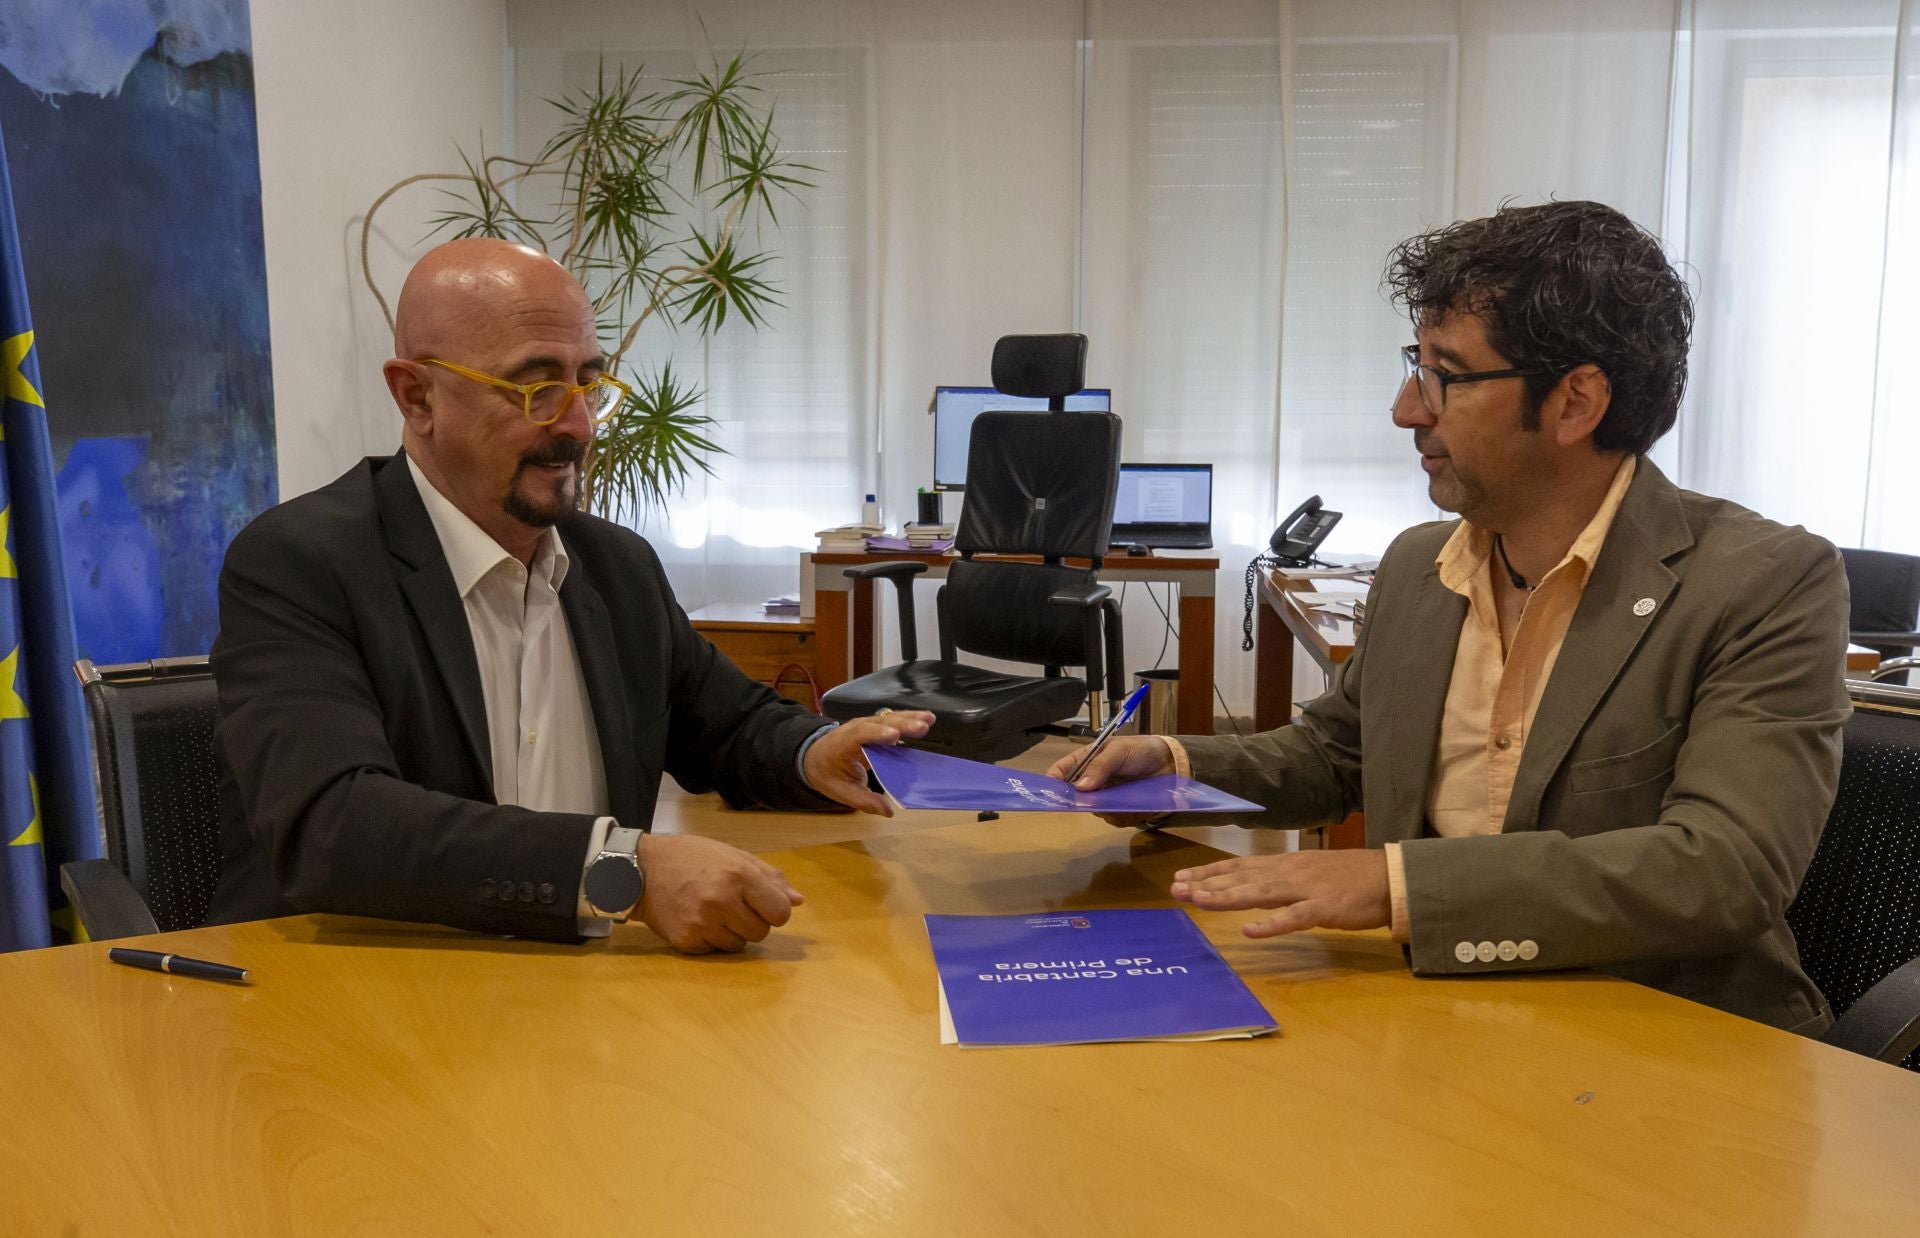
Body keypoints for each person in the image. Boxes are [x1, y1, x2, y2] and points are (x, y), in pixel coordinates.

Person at [1053, 201, 1848, 1033]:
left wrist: (1394, 886)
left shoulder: (1763, 583)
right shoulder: (1417, 565)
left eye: (1446, 375)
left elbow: (1725, 868)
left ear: (1576, 402)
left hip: (1668, 1038)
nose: (1407, 409)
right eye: (1416, 366)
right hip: (1436, 1013)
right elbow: (1338, 754)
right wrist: (1174, 766)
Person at [208, 237, 931, 952]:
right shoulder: (302, 564)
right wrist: (622, 870)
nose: (579, 426)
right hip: (358, 991)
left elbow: (729, 725)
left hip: (576, 988)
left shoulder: (616, 566)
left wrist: (815, 751)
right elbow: (333, 825)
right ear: (416, 395)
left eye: (588, 383)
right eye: (536, 388)